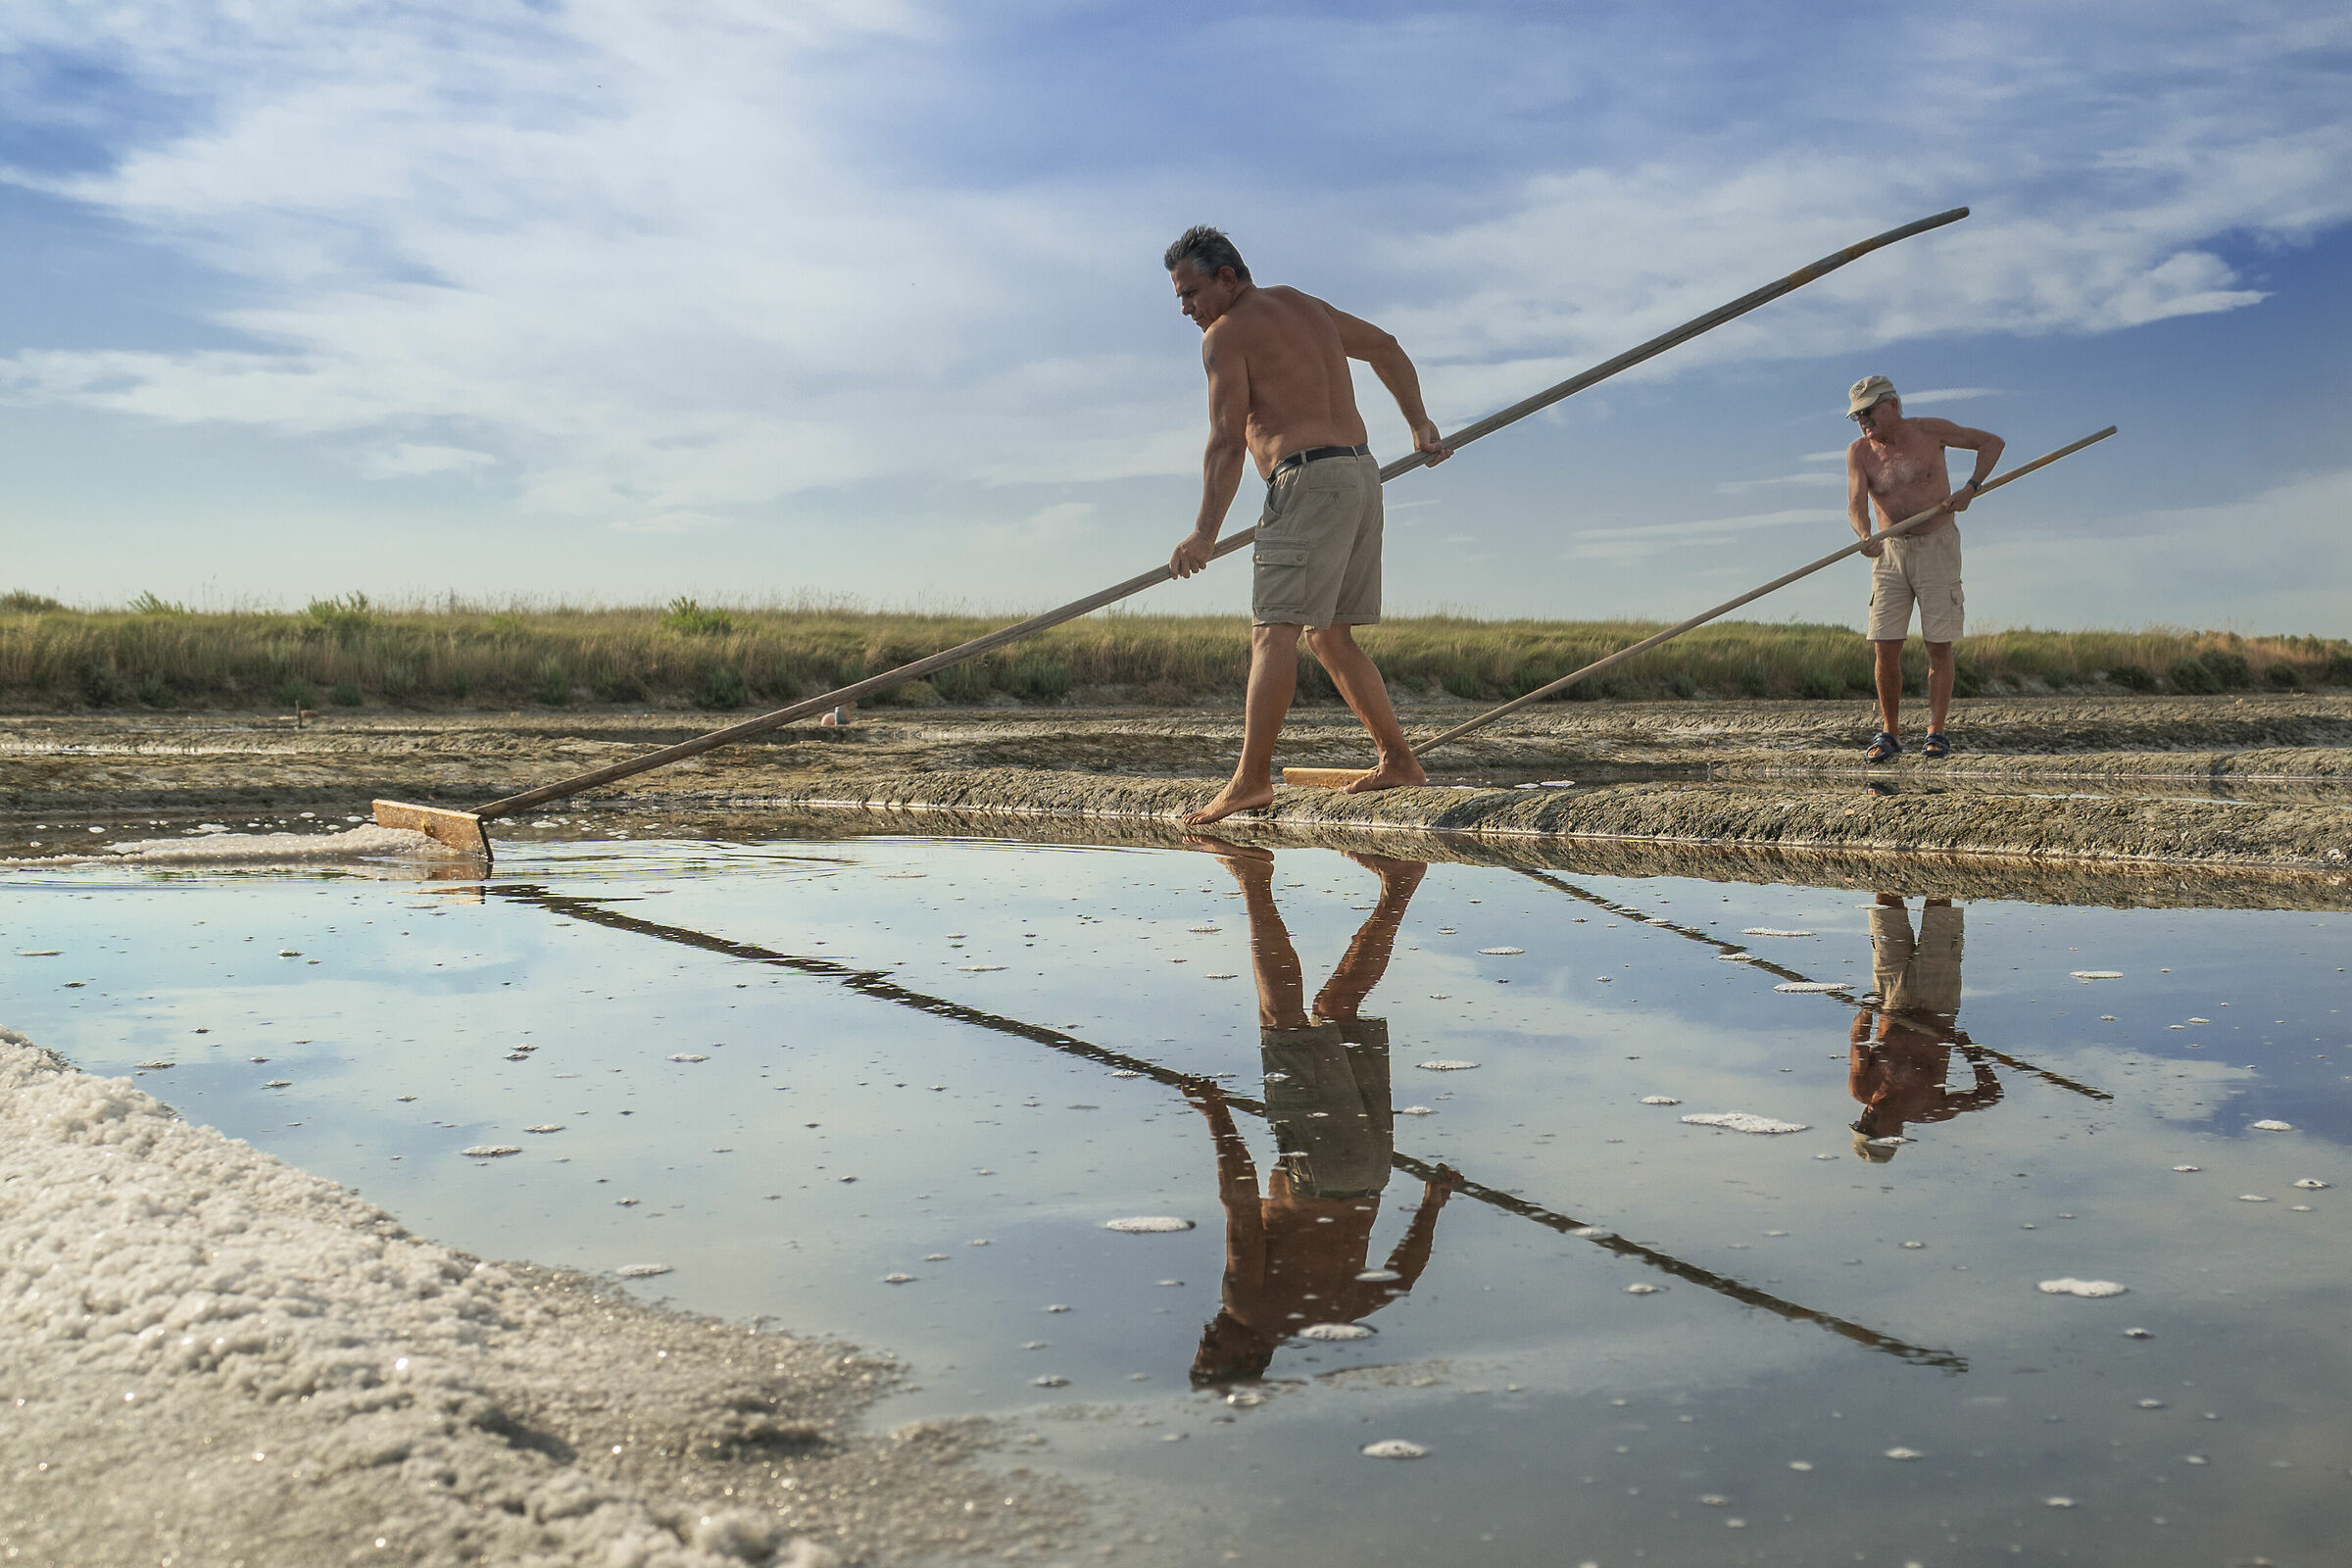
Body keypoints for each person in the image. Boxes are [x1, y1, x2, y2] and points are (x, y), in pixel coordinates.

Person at [1161, 225, 1451, 825]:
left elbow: (1225, 445)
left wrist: (1204, 534)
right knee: (1330, 635)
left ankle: (1249, 780)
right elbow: (1386, 346)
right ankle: (1398, 761)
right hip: (1359, 474)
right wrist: (1419, 422)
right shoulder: (1305, 306)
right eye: (1180, 298)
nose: (1187, 309)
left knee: (1274, 631)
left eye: (1191, 293)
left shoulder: (1225, 335)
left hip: (1310, 481)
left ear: (1227, 277)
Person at [1180, 842, 1458, 1386]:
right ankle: (1253, 877)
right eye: (1212, 1347)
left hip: (1373, 1171)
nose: (1207, 1333)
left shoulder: (1331, 1317)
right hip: (1319, 1171)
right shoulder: (1245, 1306)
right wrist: (1216, 1115)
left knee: (1336, 1010)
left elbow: (1399, 1281)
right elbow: (1239, 1203)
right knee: (1282, 1020)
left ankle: (1399, 886)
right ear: (1248, 1357)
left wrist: (1433, 1202)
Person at [1844, 375, 2003, 762]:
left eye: (1868, 412)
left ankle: (1936, 732)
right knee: (1885, 645)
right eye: (1857, 416)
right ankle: (1889, 733)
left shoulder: (1930, 431)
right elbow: (1855, 506)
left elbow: (1991, 443)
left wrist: (1971, 488)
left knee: (1938, 645)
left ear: (1892, 406)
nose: (1863, 421)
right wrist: (1866, 535)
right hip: (1890, 552)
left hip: (1938, 545)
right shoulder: (1859, 452)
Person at [1848, 893, 2001, 1159]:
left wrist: (1867, 1010)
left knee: (1886, 909)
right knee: (1939, 911)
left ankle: (1893, 858)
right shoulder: (1930, 1108)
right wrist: (1971, 1052)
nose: (1865, 1118)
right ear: (1893, 1132)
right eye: (1869, 1126)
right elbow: (1989, 1095)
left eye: (1860, 1124)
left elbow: (1858, 1040)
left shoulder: (1862, 1089)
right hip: (1937, 1002)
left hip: (1891, 1000)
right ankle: (1941, 871)